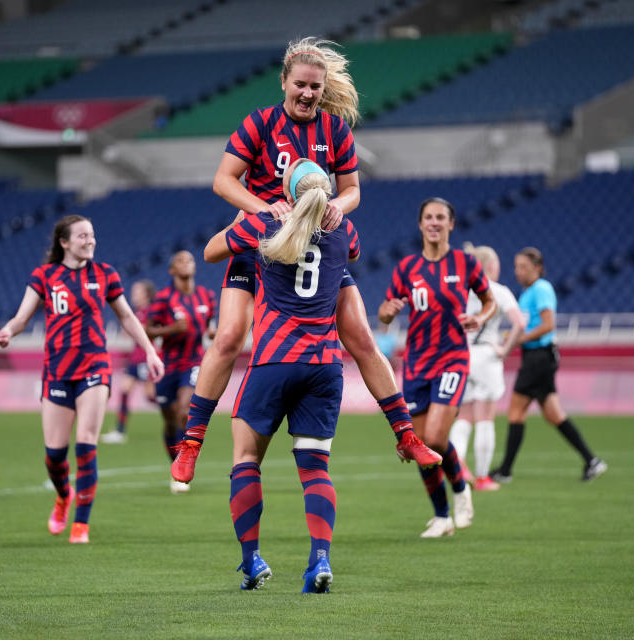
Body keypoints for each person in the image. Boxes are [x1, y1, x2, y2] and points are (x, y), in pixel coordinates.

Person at [171, 36, 440, 485]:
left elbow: (353, 190)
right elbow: (223, 181)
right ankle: (192, 441)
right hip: (262, 244)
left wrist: (342, 207)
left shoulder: (335, 131)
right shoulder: (259, 124)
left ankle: (406, 434)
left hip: (313, 241)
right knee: (231, 335)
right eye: (300, 84)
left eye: (315, 87)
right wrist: (262, 208)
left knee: (360, 335)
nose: (307, 93)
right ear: (284, 82)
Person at [204, 159, 359, 592]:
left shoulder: (265, 228)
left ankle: (252, 561)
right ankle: (320, 559)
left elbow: (212, 251)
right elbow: (351, 250)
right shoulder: (345, 232)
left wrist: (256, 210)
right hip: (325, 365)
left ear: (287, 193)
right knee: (315, 469)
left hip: (273, 360)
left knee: (246, 460)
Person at [0, 215, 164, 544]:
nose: (91, 240)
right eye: (83, 235)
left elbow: (127, 316)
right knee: (55, 456)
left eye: (92, 235)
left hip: (94, 368)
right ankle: (63, 496)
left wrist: (151, 351)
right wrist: (8, 331)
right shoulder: (44, 276)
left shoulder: (105, 274)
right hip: (57, 369)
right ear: (65, 242)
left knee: (86, 446)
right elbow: (22, 316)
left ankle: (81, 525)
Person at [379, 198, 497, 538]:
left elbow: (489, 301)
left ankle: (460, 487)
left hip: (452, 358)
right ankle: (442, 516)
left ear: (451, 224)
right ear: (420, 224)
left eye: (440, 217)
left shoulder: (465, 263)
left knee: (434, 438)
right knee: (420, 445)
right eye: (428, 217)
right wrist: (389, 309)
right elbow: (386, 314)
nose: (434, 222)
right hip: (416, 364)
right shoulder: (406, 269)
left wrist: (480, 317)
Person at [490, 247, 607, 483]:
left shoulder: (541, 289)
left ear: (538, 269)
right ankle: (591, 461)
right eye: (516, 266)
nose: (518, 271)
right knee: (554, 415)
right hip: (539, 358)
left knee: (515, 411)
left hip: (539, 357)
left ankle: (505, 470)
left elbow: (548, 325)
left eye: (523, 267)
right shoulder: (527, 293)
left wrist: (517, 339)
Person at [448, 245, 525, 492]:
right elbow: (520, 323)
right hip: (486, 355)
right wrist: (504, 349)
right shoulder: (499, 291)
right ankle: (482, 477)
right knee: (485, 418)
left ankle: (456, 464)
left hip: (461, 355)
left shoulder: (461, 290)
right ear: (491, 266)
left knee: (464, 416)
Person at [145, 251, 217, 494]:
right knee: (169, 420)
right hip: (168, 365)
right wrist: (172, 329)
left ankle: (182, 467)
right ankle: (175, 465)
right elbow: (147, 331)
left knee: (184, 411)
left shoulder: (207, 296)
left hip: (194, 362)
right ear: (172, 270)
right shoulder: (163, 298)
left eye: (190, 260)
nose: (187, 263)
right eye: (180, 261)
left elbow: (210, 328)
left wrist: (214, 334)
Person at [101, 279, 156, 444]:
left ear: (146, 294)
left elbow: (142, 331)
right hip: (136, 358)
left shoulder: (150, 312)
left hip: (145, 359)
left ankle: (181, 414)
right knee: (125, 390)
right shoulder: (138, 312)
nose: (133, 295)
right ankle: (120, 431)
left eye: (137, 292)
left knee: (152, 396)